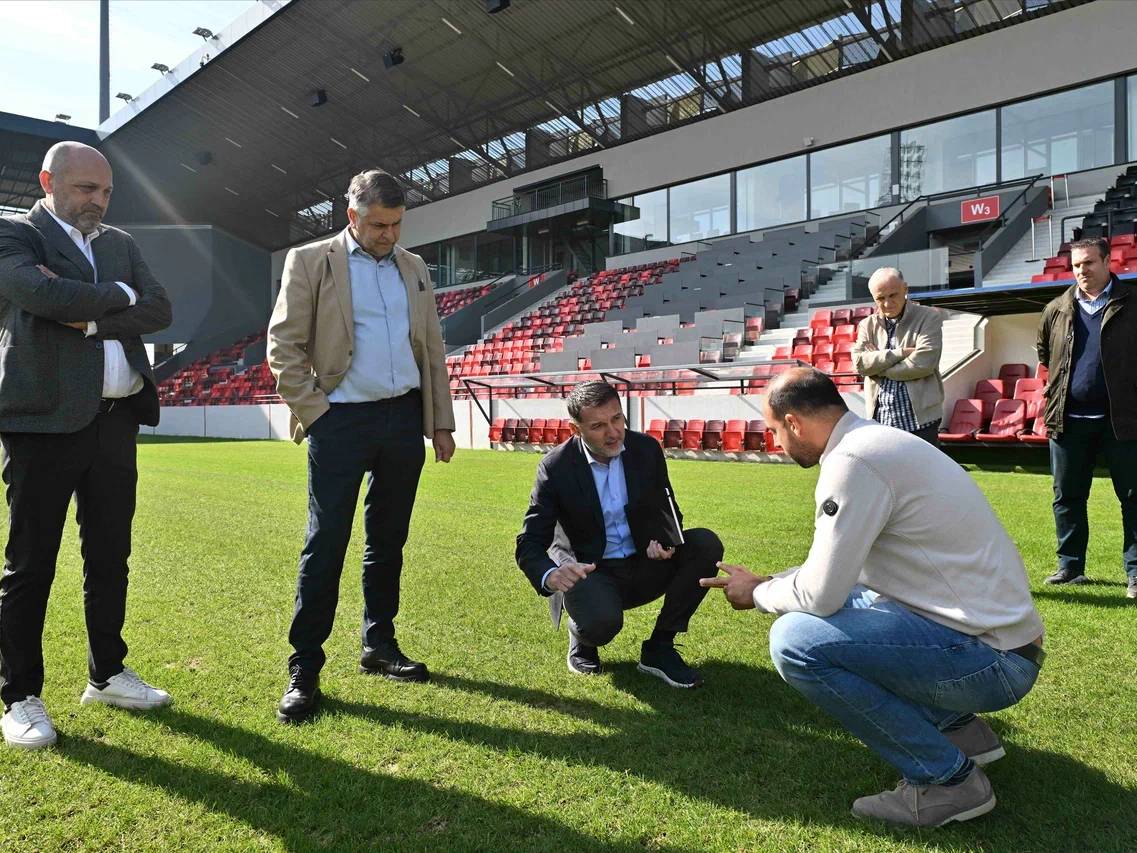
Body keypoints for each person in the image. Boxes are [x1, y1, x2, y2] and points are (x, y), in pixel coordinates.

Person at [702, 368, 1044, 827]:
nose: (776, 441)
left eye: (775, 430)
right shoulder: (874, 443)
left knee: (796, 641)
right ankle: (962, 733)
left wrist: (760, 593)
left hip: (993, 662)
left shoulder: (853, 462)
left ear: (795, 423)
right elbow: (838, 577)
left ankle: (948, 781)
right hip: (1004, 643)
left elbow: (821, 596)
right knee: (847, 607)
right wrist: (773, 580)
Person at [0, 142, 174, 750]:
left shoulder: (120, 242)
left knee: (109, 557)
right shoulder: (15, 234)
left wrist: (100, 315)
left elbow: (160, 307)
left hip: (115, 422)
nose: (96, 202)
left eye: (104, 192)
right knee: (30, 565)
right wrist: (119, 296)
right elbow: (39, 296)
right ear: (48, 181)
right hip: (42, 423)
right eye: (83, 190)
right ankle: (19, 695)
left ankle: (106, 674)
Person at [267, 169, 455, 724]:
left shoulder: (414, 268)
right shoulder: (310, 261)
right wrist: (318, 416)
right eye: (378, 224)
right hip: (340, 422)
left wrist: (439, 423)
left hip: (402, 420)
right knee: (326, 542)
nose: (388, 235)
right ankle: (304, 667)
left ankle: (379, 644)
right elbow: (283, 346)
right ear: (352, 216)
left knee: (388, 540)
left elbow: (432, 350)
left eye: (396, 225)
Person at [515, 381, 723, 688]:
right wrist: (551, 574)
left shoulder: (645, 449)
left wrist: (664, 541)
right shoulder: (556, 467)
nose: (613, 432)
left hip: (642, 563)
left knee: (705, 543)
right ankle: (582, 637)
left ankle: (659, 648)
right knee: (601, 623)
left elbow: (668, 511)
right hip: (590, 571)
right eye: (598, 425)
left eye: (617, 419)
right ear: (577, 430)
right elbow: (529, 542)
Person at [1036, 237, 1137, 598]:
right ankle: (1070, 567)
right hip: (1069, 419)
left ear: (1110, 262)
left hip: (1123, 421)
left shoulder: (1132, 302)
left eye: (1090, 263)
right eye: (1077, 265)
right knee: (1067, 496)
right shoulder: (1056, 309)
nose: (1082, 271)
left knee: (1133, 496)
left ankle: (1136, 573)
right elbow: (1046, 357)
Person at [852, 267, 944, 445]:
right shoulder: (866, 325)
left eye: (893, 295)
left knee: (922, 473)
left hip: (921, 422)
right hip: (881, 419)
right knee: (886, 473)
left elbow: (923, 364)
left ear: (905, 289)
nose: (887, 303)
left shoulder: (929, 318)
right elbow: (860, 364)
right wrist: (899, 353)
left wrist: (880, 368)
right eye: (880, 298)